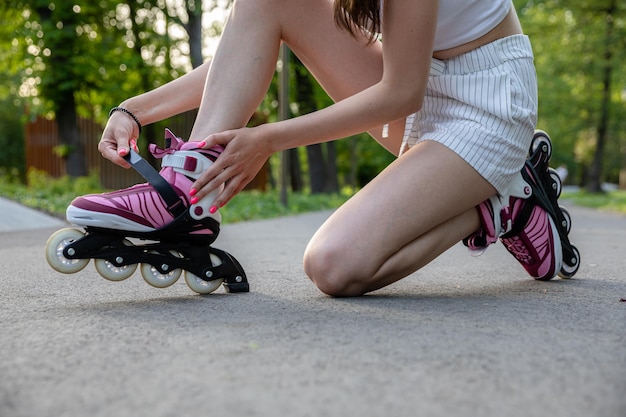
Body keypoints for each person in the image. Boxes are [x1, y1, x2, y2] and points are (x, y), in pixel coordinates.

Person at [94, 0, 559, 297]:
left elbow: (401, 94)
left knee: (334, 267)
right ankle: (187, 190)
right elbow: (242, 56)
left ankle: (506, 200)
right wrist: (134, 110)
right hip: (416, 78)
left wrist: (268, 139)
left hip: (485, 106)